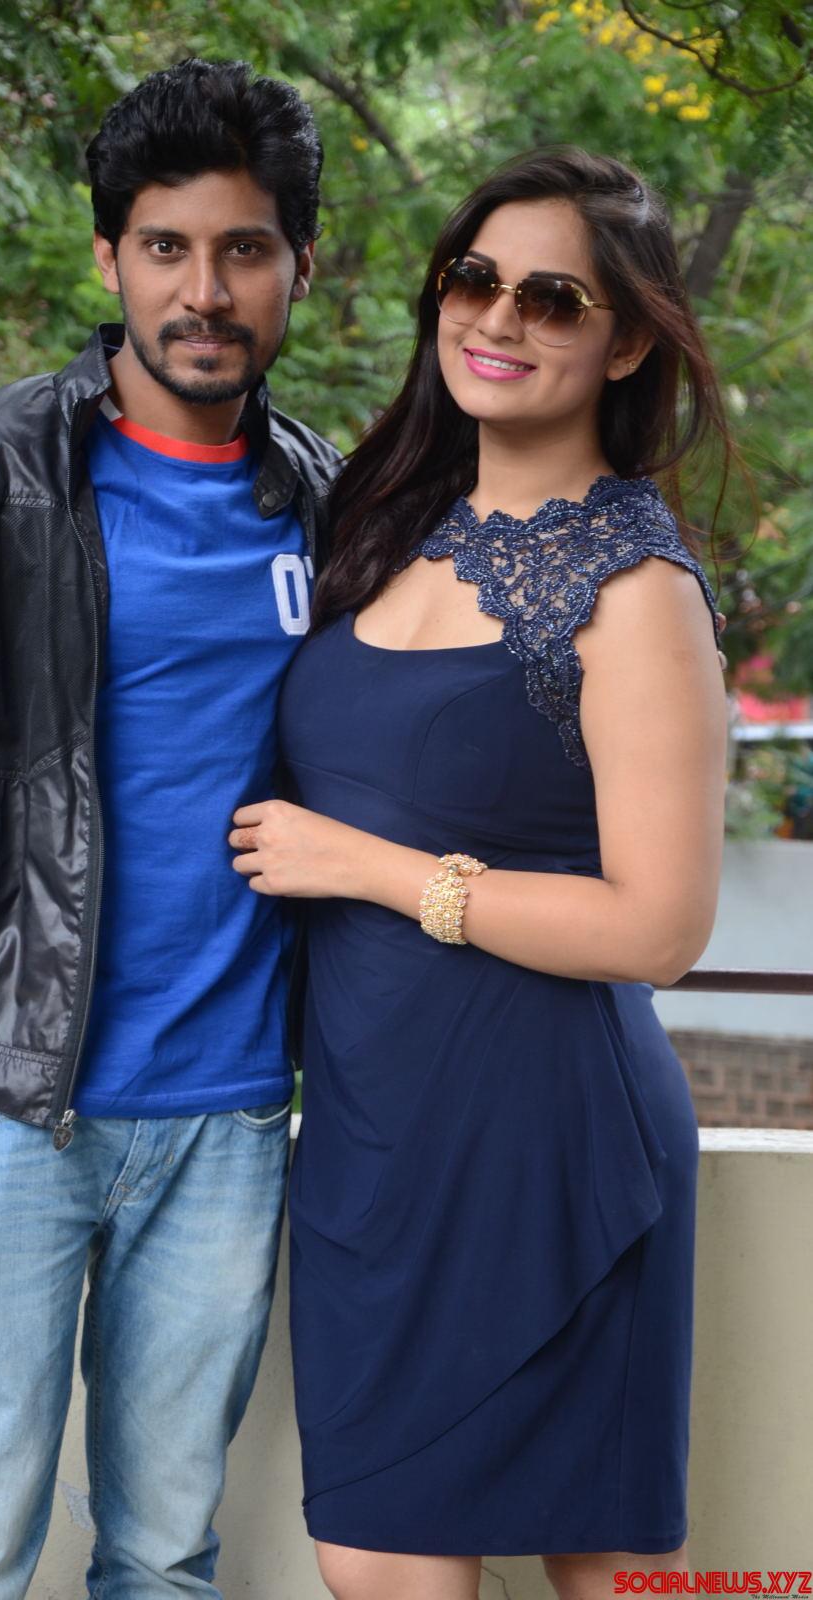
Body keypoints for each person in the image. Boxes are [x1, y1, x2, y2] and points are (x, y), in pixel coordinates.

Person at [0, 58, 338, 1600]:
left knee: (166, 1557)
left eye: (244, 249)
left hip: (231, 1116)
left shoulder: (329, 501)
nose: (204, 291)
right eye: (166, 247)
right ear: (109, 258)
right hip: (4, 1115)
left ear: (300, 267)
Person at [228, 147, 733, 1599]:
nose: (498, 318)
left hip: (551, 1143)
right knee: (373, 1561)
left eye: (553, 297)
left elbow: (661, 928)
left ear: (625, 342)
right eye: (475, 278)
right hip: (372, 1146)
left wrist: (368, 868)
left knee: (612, 1573)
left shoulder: (637, 588)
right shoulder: (383, 520)